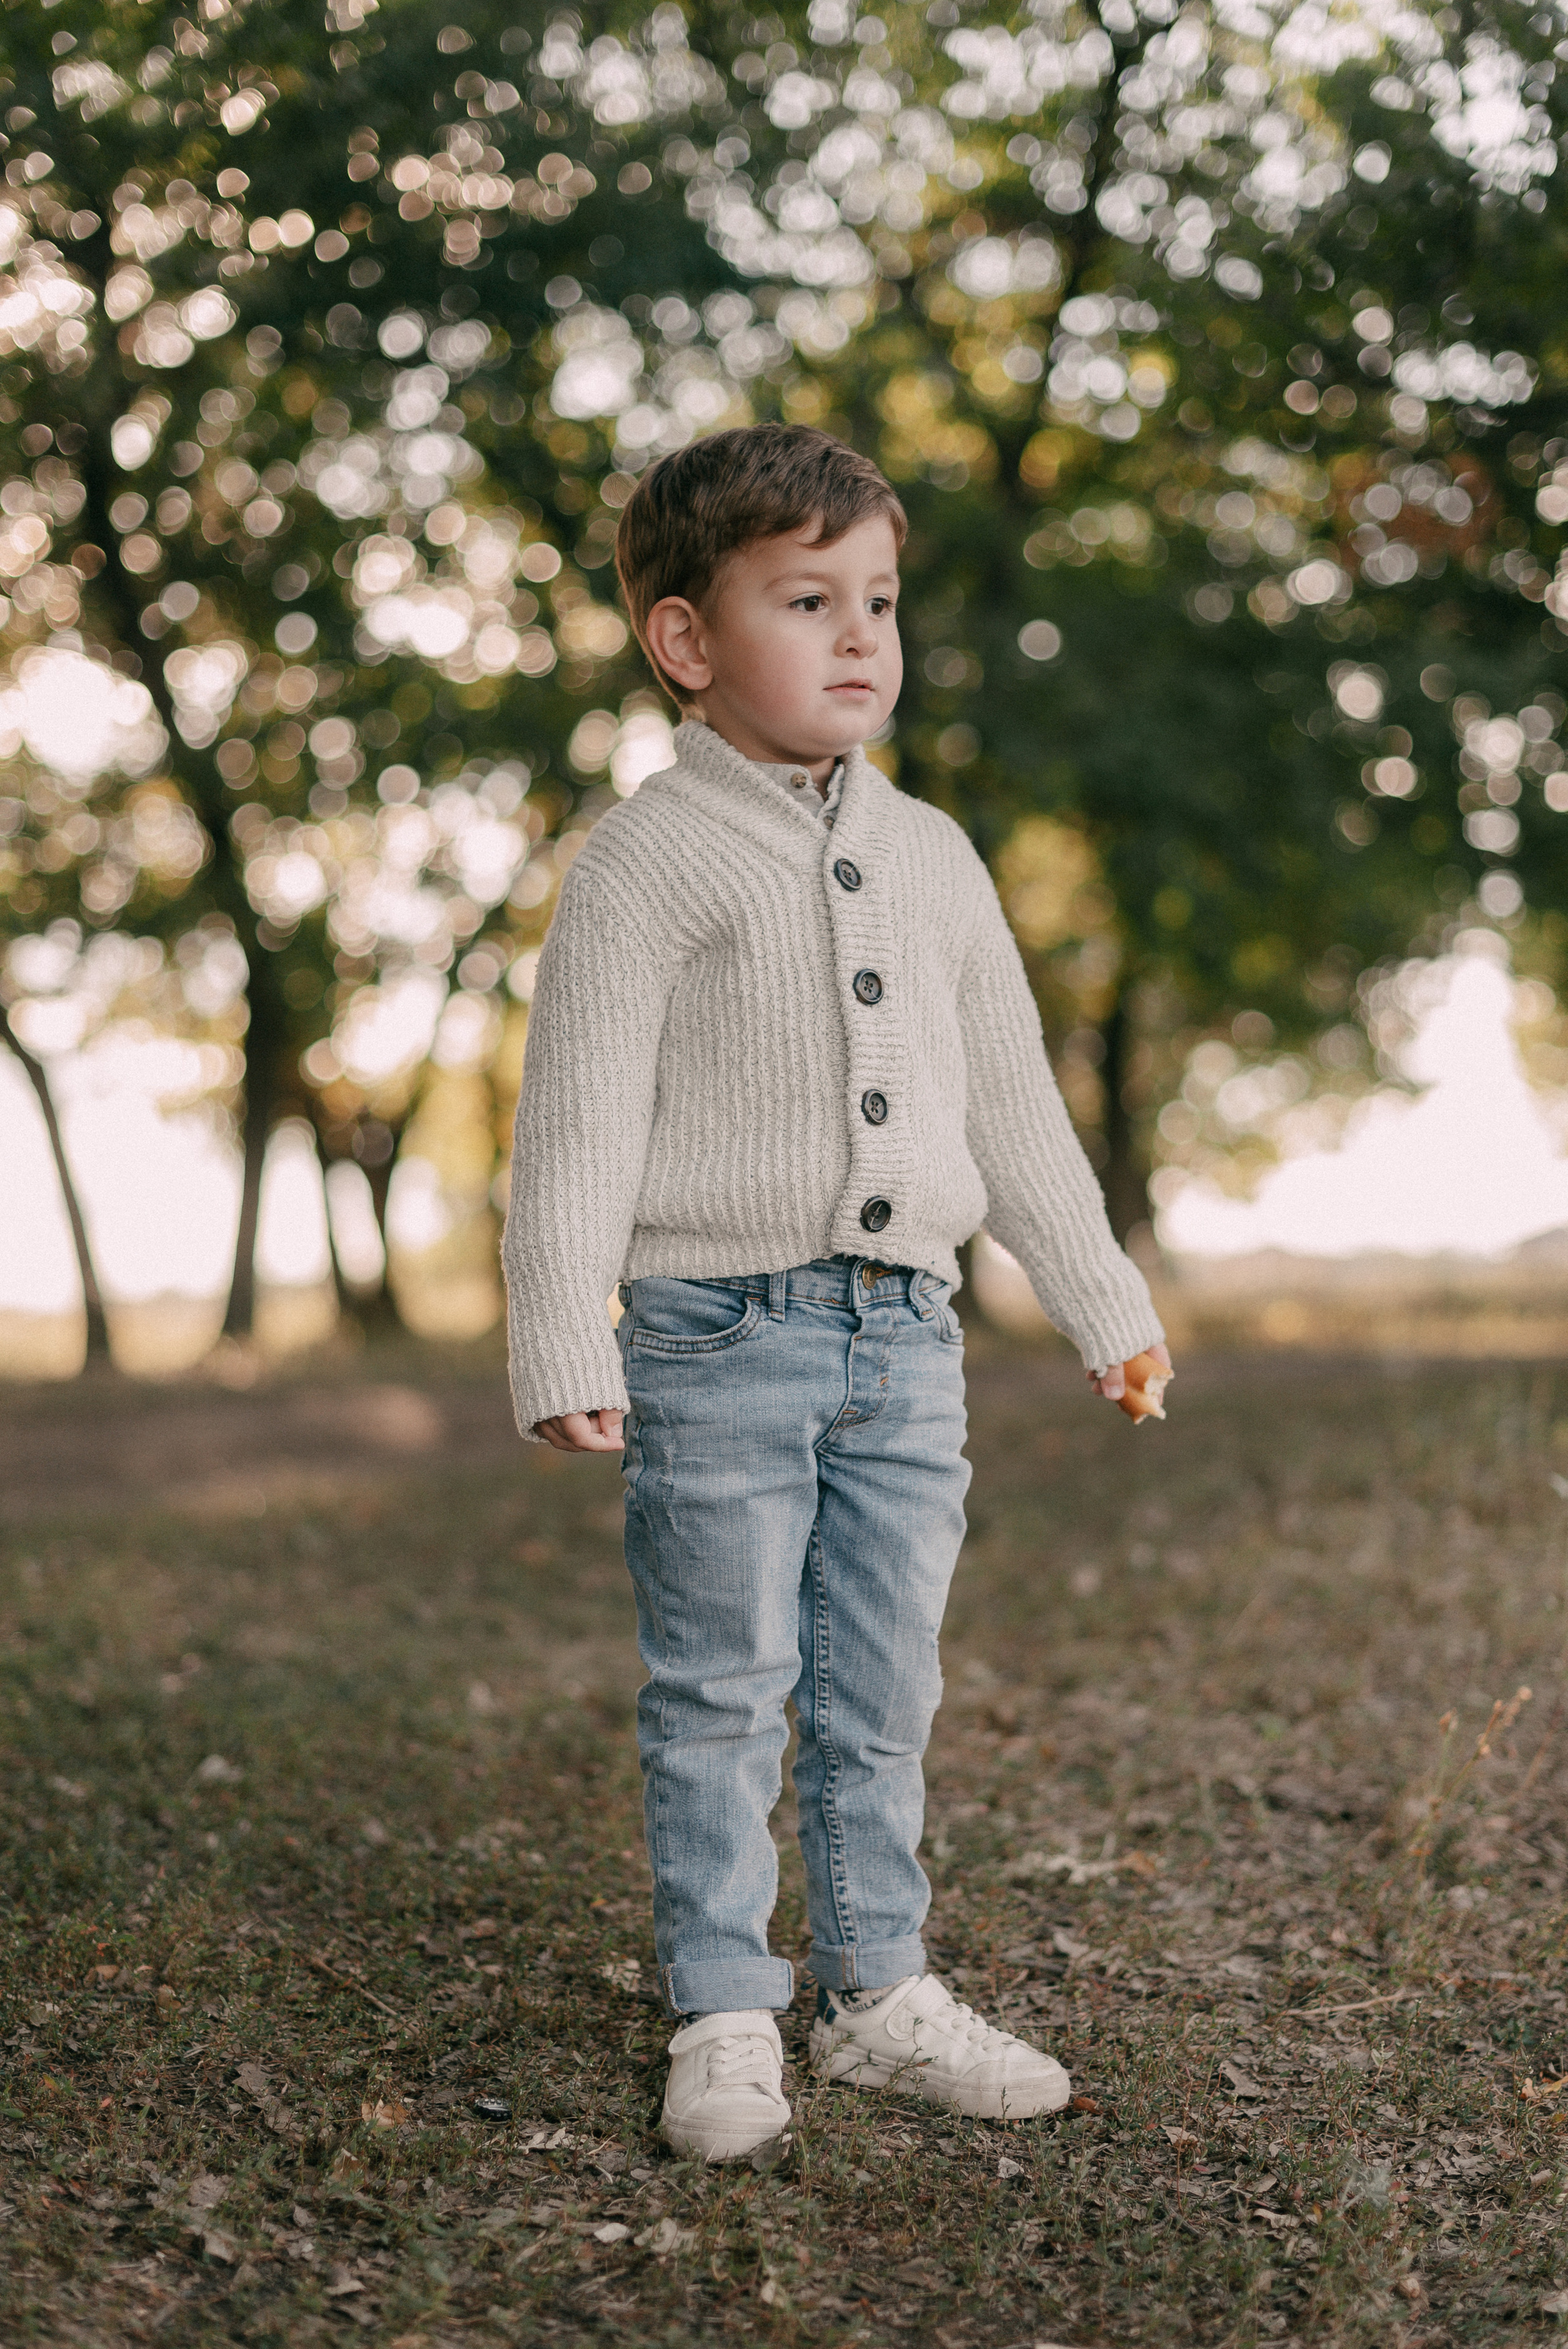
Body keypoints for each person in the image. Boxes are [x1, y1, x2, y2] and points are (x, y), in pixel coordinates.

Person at [504, 422, 1170, 2162]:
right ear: (687, 641)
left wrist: (1103, 1298)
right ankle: (728, 2004)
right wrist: (563, 1327)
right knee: (724, 1679)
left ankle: (879, 1991)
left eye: (878, 597)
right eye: (809, 599)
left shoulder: (936, 857)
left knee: (883, 1680)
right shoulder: (648, 862)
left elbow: (1012, 1101)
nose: (863, 634)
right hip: (713, 1335)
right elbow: (577, 1125)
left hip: (908, 1337)